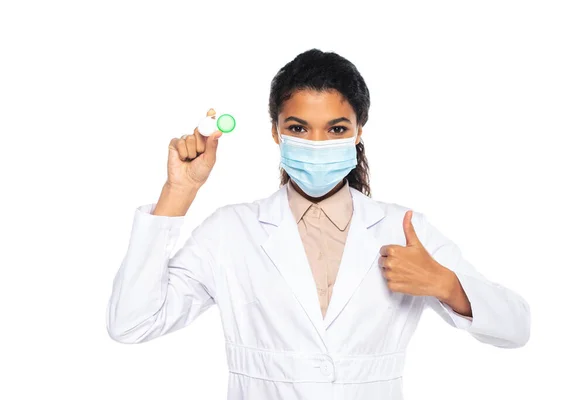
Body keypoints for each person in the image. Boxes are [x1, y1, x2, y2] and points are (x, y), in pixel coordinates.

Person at [106, 48, 531, 400]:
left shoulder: (403, 229)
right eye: (298, 127)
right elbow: (131, 323)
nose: (316, 144)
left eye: (336, 128)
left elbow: (516, 328)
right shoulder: (230, 232)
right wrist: (178, 192)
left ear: (358, 132)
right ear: (276, 132)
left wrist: (445, 285)